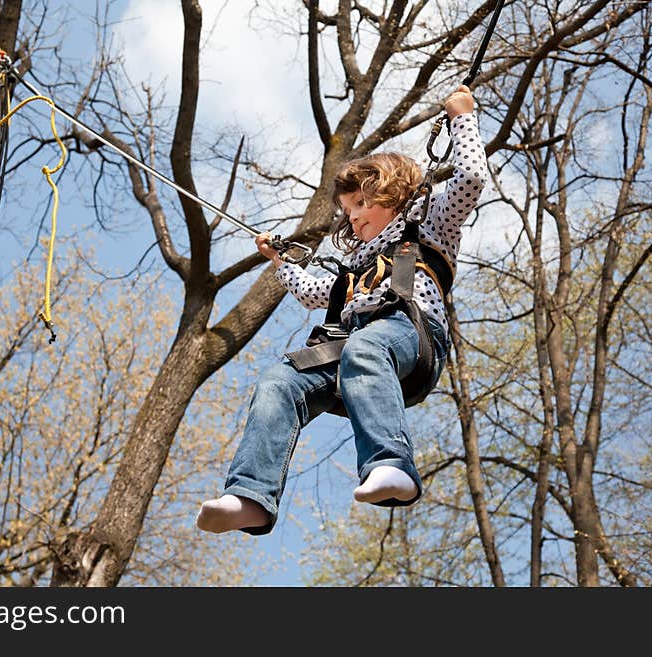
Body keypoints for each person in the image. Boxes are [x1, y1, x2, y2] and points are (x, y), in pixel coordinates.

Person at [197, 85, 487, 535]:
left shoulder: (430, 224)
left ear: (395, 193)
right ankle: (251, 495)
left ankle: (391, 465)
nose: (352, 217)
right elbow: (315, 293)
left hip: (409, 335)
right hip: (351, 350)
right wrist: (279, 262)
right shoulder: (356, 262)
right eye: (348, 211)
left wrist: (463, 118)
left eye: (361, 204)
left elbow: (470, 180)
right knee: (281, 379)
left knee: (366, 346)